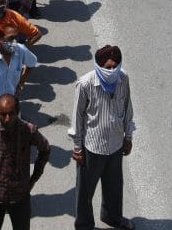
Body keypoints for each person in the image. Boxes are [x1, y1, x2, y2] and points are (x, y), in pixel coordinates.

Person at [70, 45, 135, 230]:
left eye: (115, 66)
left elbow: (127, 109)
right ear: (99, 66)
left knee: (114, 187)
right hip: (92, 147)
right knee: (85, 192)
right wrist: (77, 147)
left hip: (115, 144)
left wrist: (128, 136)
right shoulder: (85, 84)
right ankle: (84, 225)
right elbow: (77, 117)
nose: (112, 70)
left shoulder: (123, 79)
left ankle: (112, 216)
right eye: (107, 67)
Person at [0, 94, 50, 230]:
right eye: (3, 115)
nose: (7, 119)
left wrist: (33, 179)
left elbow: (45, 149)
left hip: (20, 195)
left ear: (17, 112)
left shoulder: (28, 130)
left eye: (11, 114)